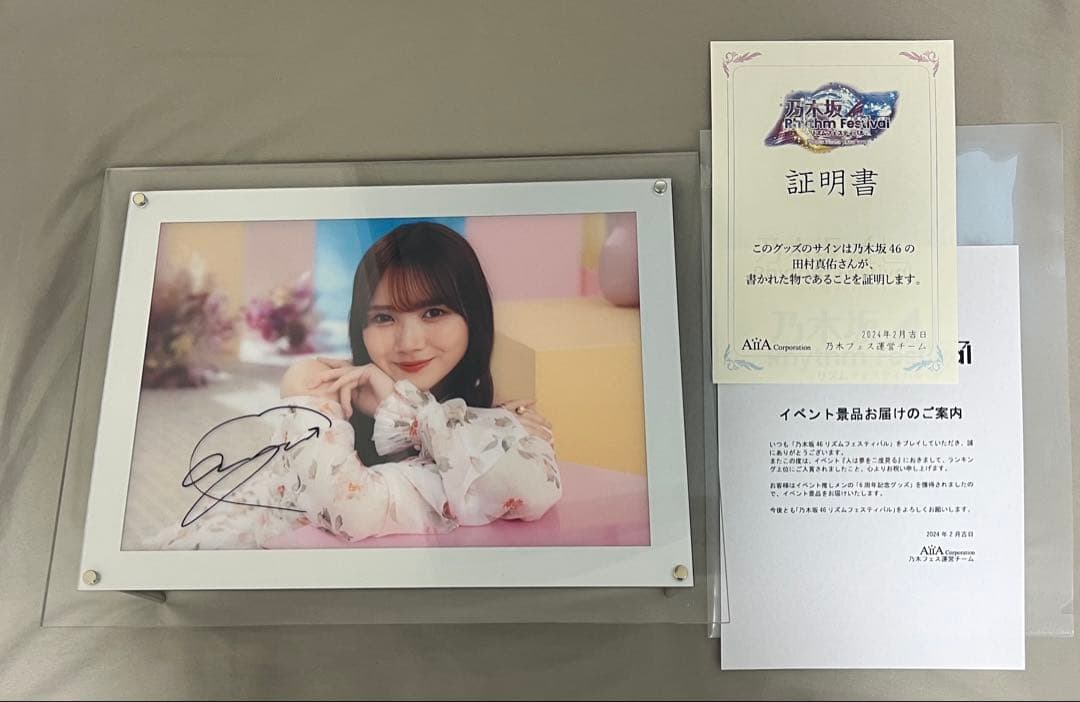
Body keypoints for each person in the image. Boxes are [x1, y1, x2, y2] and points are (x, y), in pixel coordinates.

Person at [158, 222, 561, 549]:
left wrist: (403, 410)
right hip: (231, 560)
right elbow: (337, 506)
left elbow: (533, 490)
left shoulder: (479, 421)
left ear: (473, 316)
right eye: (384, 318)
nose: (409, 342)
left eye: (433, 312)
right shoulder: (327, 389)